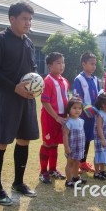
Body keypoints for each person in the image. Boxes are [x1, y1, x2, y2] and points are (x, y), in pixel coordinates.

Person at [0, 2, 38, 206]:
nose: (28, 23)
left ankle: (18, 182)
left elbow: (32, 69)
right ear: (12, 19)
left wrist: (35, 86)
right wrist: (14, 87)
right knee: (2, 141)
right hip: (7, 98)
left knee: (24, 139)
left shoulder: (29, 43)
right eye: (24, 18)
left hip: (27, 99)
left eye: (30, 19)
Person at [39, 52, 69, 184]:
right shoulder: (47, 81)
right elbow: (45, 102)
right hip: (50, 117)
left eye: (63, 62)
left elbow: (66, 99)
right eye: (58, 62)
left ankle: (52, 169)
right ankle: (43, 171)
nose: (61, 65)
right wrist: (56, 117)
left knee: (55, 143)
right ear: (50, 66)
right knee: (47, 143)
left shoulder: (64, 80)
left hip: (62, 117)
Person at [72, 52, 100, 173]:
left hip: (92, 116)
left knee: (88, 138)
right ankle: (75, 163)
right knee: (80, 139)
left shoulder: (95, 79)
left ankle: (83, 162)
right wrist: (88, 110)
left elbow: (98, 96)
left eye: (95, 64)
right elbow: (77, 98)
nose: (94, 66)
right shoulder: (79, 79)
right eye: (91, 64)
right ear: (84, 64)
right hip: (82, 115)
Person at [63, 97, 87, 188]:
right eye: (74, 108)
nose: (77, 110)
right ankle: (68, 181)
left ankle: (75, 177)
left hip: (79, 146)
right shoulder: (69, 122)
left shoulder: (81, 121)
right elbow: (65, 135)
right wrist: (66, 147)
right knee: (70, 163)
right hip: (72, 147)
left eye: (79, 108)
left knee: (77, 162)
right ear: (69, 109)